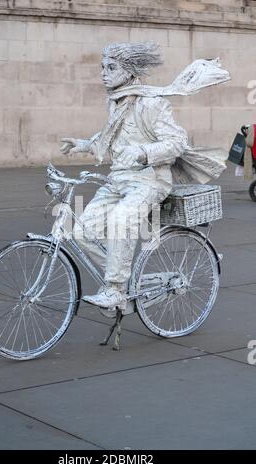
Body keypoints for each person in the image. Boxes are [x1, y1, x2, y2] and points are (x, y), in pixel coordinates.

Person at [60, 42, 229, 311]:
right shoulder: (118, 101)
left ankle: (115, 289)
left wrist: (142, 152)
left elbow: (176, 142)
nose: (104, 73)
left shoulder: (151, 103)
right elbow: (112, 138)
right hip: (118, 179)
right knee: (81, 231)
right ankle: (126, 282)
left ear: (129, 71)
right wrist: (83, 144)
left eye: (111, 67)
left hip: (150, 179)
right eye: (102, 67)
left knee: (120, 219)